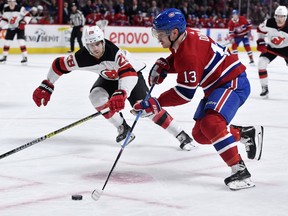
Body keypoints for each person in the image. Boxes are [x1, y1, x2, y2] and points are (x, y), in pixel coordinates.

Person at [132, 8, 264, 190]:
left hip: (233, 83)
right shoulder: (185, 38)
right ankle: (244, 134)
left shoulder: (189, 54)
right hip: (217, 86)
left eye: (160, 34)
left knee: (212, 124)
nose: (158, 38)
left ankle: (241, 172)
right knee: (200, 135)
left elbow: (185, 94)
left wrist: (157, 103)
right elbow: (185, 60)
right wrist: (167, 65)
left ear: (174, 32)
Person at [32, 25, 195, 151]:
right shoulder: (81, 57)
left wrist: (122, 93)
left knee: (146, 108)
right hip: (109, 77)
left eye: (98, 43)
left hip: (132, 76)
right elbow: (58, 65)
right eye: (91, 45)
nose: (95, 48)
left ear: (103, 41)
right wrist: (48, 84)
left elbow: (129, 73)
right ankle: (123, 127)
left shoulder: (115, 54)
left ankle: (180, 134)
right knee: (96, 97)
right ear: (85, 45)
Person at [256, 5, 288, 98]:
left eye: (282, 16)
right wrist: (260, 42)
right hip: (271, 47)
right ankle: (264, 88)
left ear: (286, 17)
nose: (279, 18)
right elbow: (259, 30)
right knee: (261, 63)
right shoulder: (269, 22)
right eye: (277, 16)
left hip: (286, 48)